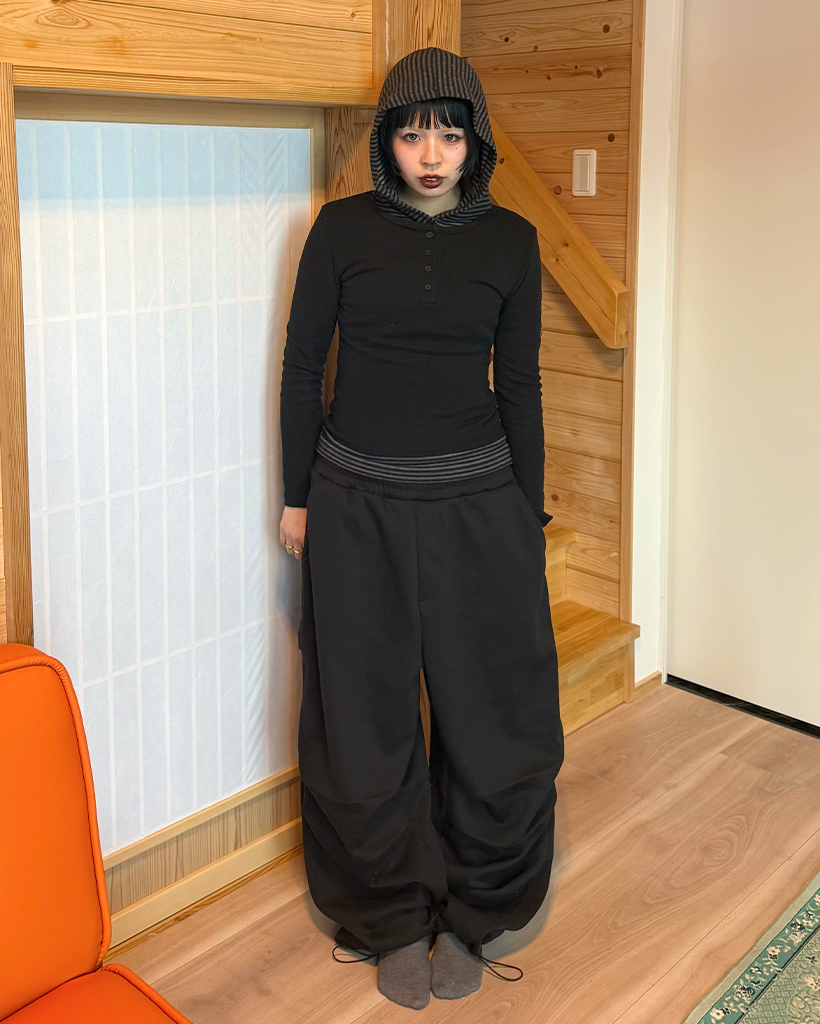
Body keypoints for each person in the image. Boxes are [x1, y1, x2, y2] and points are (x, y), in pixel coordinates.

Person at [278, 46, 564, 1010]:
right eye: (410, 135)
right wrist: (296, 497)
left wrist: (528, 508)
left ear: (475, 140)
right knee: (360, 719)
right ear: (385, 143)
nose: (430, 155)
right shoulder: (339, 230)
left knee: (496, 711)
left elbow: (519, 383)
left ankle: (478, 912)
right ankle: (390, 913)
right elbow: (302, 366)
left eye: (448, 134)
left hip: (480, 504)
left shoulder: (513, 241)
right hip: (353, 504)